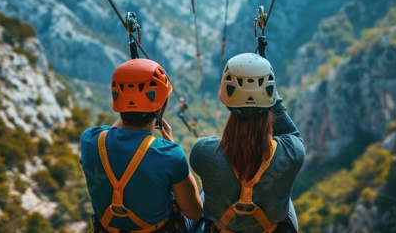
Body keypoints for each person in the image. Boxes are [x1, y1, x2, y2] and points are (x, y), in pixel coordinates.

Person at [80, 59, 203, 233]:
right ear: (161, 108)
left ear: (117, 102)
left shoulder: (90, 140)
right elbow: (194, 212)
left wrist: (130, 103)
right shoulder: (170, 154)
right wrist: (172, 146)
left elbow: (112, 131)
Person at [189, 53, 306, 233]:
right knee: (286, 198)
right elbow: (292, 133)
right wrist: (270, 96)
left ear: (225, 97)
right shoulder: (292, 153)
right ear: (271, 97)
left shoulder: (203, 153)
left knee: (203, 195)